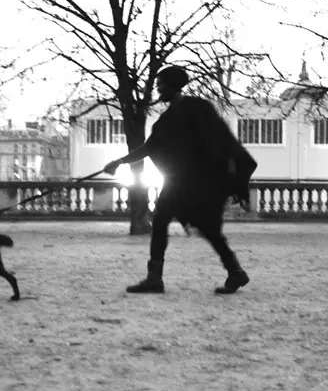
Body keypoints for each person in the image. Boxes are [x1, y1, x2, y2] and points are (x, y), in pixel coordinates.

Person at [103, 65, 257, 294]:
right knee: (164, 223)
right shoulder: (166, 120)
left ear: (173, 84)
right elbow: (149, 148)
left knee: (206, 229)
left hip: (197, 184)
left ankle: (234, 272)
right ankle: (157, 277)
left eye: (160, 84)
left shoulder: (198, 109)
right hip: (178, 183)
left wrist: (227, 173)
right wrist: (120, 162)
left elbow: (220, 140)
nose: (158, 90)